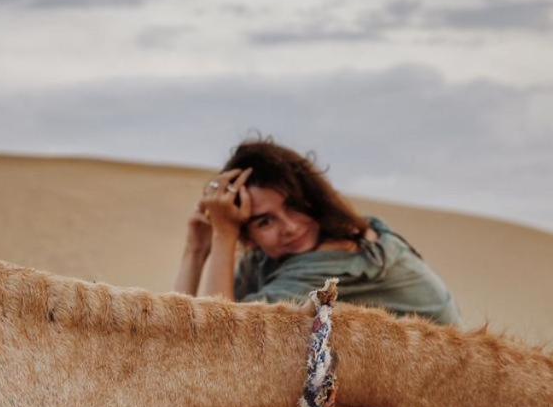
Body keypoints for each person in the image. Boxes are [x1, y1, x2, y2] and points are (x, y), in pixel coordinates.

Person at [173, 138, 462, 327]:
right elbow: (182, 338)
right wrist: (195, 251)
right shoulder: (274, 259)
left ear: (312, 199)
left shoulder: (332, 261)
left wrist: (224, 234)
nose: (290, 227)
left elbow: (218, 336)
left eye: (295, 206)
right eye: (265, 222)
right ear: (248, 235)